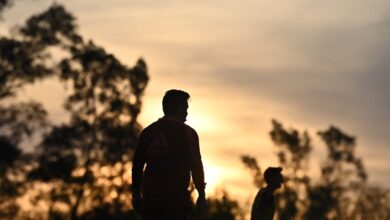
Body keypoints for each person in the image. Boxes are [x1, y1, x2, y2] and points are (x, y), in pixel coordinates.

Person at [132, 89, 206, 220]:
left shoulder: (148, 132)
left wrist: (136, 195)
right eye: (185, 107)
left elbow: (137, 167)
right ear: (177, 107)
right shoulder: (189, 134)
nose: (186, 112)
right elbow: (196, 165)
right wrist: (201, 194)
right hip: (177, 203)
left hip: (151, 203)